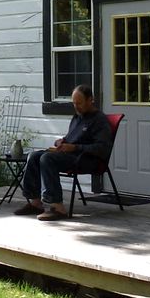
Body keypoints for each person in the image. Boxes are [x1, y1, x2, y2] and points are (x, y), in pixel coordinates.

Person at [15, 83, 113, 221]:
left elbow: (102, 149)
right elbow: (70, 138)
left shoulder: (99, 120)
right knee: (34, 156)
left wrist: (75, 148)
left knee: (47, 158)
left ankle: (57, 207)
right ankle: (35, 202)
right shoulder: (77, 117)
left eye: (79, 103)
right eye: (74, 103)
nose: (76, 107)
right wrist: (61, 141)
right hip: (70, 155)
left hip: (87, 160)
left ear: (90, 100)